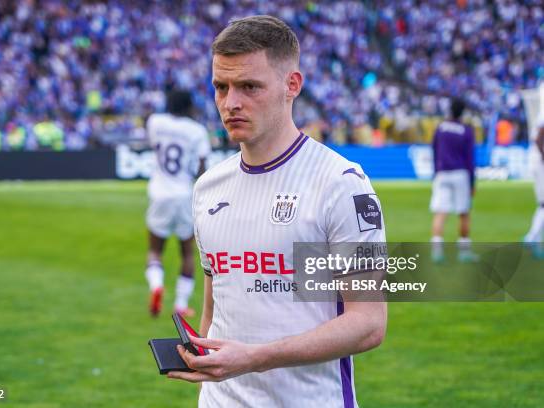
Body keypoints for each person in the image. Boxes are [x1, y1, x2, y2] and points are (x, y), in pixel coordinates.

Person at [168, 16, 387, 407]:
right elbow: (214, 306)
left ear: (292, 86)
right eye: (221, 87)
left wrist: (254, 359)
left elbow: (368, 323)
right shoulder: (207, 188)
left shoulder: (342, 185)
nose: (230, 102)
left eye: (249, 86)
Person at [144, 90, 211, 317]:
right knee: (187, 253)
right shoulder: (197, 131)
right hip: (183, 194)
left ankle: (156, 286)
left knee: (155, 250)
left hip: (159, 193)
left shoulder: (155, 122)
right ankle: (181, 304)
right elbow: (202, 168)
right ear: (188, 107)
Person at [429, 99, 477, 262]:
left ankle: (437, 252)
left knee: (440, 212)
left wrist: (436, 172)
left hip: (442, 173)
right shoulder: (466, 130)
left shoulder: (441, 127)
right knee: (463, 212)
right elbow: (470, 158)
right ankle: (464, 252)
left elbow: (434, 151)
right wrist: (472, 182)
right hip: (460, 174)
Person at [524, 117, 544, 256]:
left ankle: (535, 241)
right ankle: (531, 237)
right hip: (540, 162)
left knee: (541, 205)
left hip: (536, 161)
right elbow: (539, 136)